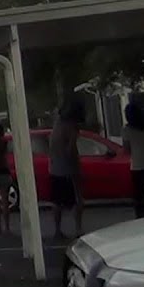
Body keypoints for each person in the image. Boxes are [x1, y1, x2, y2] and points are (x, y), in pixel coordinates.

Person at [48, 98, 85, 240]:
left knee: (57, 201)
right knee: (78, 199)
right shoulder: (71, 127)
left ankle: (57, 230)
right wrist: (76, 164)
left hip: (54, 167)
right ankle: (78, 228)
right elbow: (70, 150)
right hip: (68, 169)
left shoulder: (57, 124)